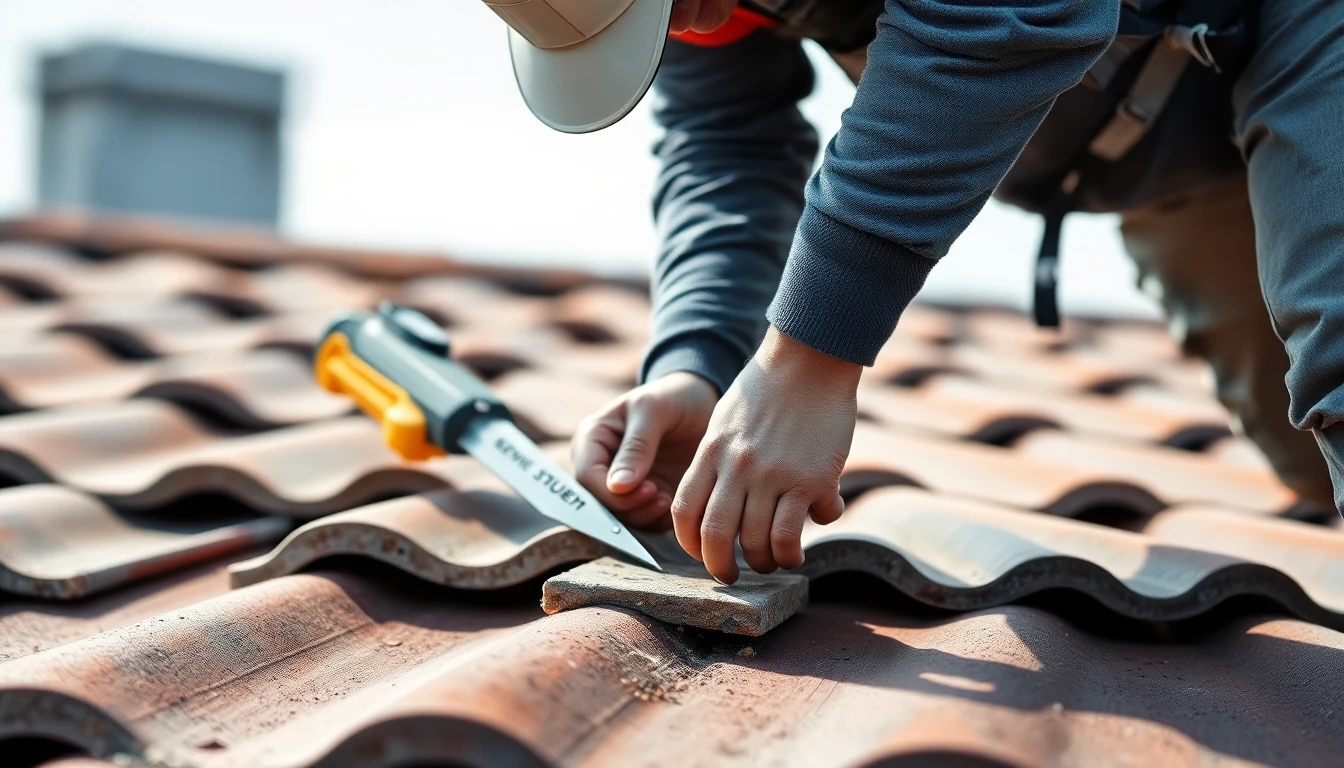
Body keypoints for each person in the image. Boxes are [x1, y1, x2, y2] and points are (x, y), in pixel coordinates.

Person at [483, 0, 1344, 584]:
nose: (692, 19)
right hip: (1172, 167)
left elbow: (1012, 13)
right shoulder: (696, 11)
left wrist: (808, 358)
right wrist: (697, 363)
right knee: (1309, 461)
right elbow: (726, 144)